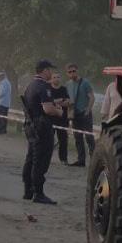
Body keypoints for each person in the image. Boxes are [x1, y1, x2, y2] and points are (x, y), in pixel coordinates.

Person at [22, 60, 61, 204]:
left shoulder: (30, 85)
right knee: (41, 160)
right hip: (41, 127)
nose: (51, 73)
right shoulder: (43, 86)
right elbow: (48, 109)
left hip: (30, 125)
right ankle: (38, 193)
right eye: (50, 70)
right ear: (45, 70)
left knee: (31, 158)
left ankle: (28, 190)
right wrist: (59, 112)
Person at [64, 63, 95, 166]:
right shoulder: (68, 84)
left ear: (77, 71)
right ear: (67, 73)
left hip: (84, 113)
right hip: (75, 114)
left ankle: (94, 161)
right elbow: (68, 99)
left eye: (74, 71)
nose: (72, 73)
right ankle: (81, 160)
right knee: (78, 138)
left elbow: (92, 97)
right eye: (70, 72)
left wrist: (88, 110)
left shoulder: (85, 82)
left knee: (89, 138)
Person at [49, 72, 71, 164]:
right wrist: (61, 100)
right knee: (49, 139)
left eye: (58, 77)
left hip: (62, 118)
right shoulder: (48, 89)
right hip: (51, 117)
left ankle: (63, 159)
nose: (56, 79)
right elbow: (49, 102)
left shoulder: (64, 89)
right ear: (51, 79)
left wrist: (56, 102)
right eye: (54, 77)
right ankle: (46, 157)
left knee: (63, 139)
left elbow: (68, 102)